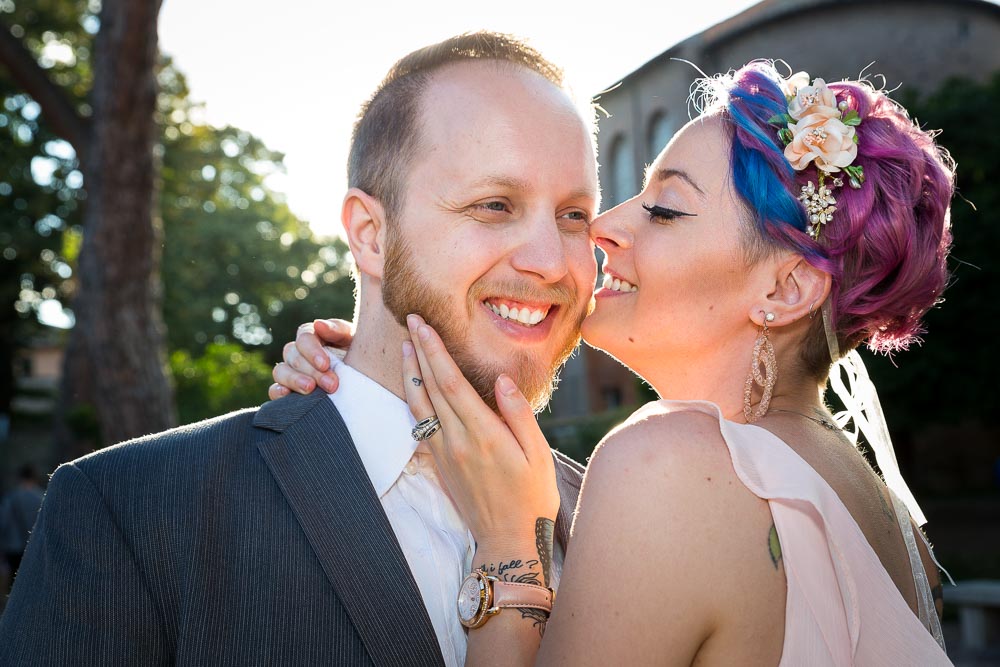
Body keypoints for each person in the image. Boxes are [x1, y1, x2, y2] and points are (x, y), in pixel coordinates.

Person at [273, 61, 955, 664]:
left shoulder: (665, 463)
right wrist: (364, 376)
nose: (603, 227)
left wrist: (511, 548)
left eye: (663, 209)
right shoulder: (883, 510)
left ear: (784, 289)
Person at [0, 32, 599, 666]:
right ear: (371, 235)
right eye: (494, 205)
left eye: (574, 215)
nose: (550, 262)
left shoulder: (615, 522)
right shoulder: (128, 511)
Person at [0, 464, 44, 593]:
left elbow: (3, 523)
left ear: (20, 477)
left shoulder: (11, 498)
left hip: (13, 547)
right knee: (32, 583)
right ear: (34, 478)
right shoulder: (42, 497)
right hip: (34, 547)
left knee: (15, 584)